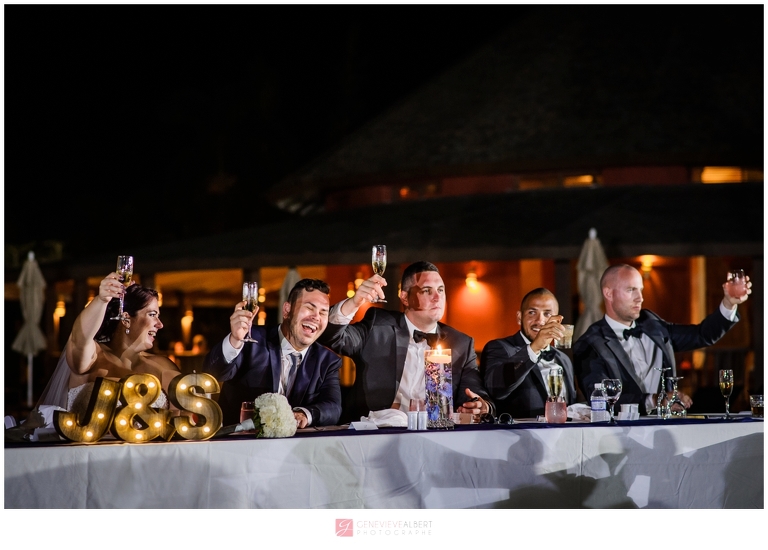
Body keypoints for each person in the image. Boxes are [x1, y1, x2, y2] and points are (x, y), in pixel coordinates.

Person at [318, 261, 492, 424]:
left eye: (440, 290)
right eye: (426, 291)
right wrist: (354, 302)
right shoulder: (378, 325)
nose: (437, 298)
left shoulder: (461, 343)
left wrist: (482, 406)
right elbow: (332, 337)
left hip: (435, 437)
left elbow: (477, 394)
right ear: (405, 297)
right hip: (372, 436)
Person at [573, 264, 751, 415]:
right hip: (621, 435)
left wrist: (729, 304)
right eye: (631, 290)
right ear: (608, 293)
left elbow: (702, 335)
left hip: (667, 426)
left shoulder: (652, 324)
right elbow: (600, 400)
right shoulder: (590, 343)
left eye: (640, 290)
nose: (640, 298)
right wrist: (653, 400)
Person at [37, 274, 180, 420]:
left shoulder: (164, 367)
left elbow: (179, 419)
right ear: (126, 319)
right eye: (152, 314)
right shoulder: (92, 357)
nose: (160, 324)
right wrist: (101, 300)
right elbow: (80, 337)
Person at [203, 279, 341, 427]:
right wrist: (235, 340)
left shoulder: (327, 361)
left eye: (323, 312)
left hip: (295, 448)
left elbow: (333, 408)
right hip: (239, 444)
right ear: (287, 310)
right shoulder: (251, 341)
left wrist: (304, 415)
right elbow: (212, 373)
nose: (316, 317)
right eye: (309, 308)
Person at [481, 288, 577, 418]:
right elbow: (496, 389)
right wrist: (535, 348)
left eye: (547, 314)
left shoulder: (563, 359)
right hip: (519, 435)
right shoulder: (499, 348)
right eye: (532, 312)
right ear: (519, 317)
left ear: (557, 321)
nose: (540, 321)